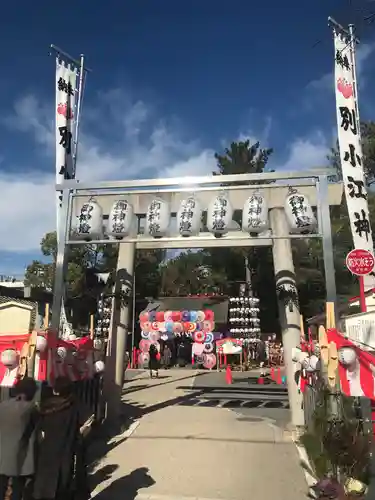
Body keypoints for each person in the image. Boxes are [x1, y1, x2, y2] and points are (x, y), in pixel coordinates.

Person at [32, 376, 89, 500]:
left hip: (47, 451)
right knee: (62, 485)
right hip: (65, 450)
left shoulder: (46, 407)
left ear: (55, 390)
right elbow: (86, 423)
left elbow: (40, 429)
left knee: (44, 485)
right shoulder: (74, 406)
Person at [0, 376, 38, 500]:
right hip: (21, 454)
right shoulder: (31, 409)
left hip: (2, 452)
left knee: (1, 485)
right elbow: (36, 427)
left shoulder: (3, 405)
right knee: (18, 487)